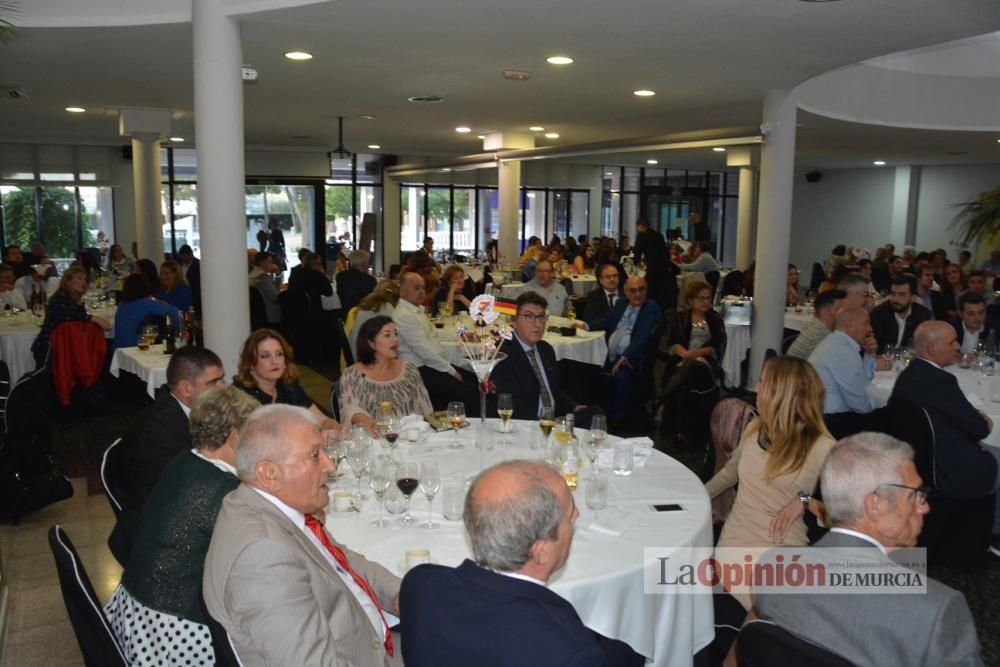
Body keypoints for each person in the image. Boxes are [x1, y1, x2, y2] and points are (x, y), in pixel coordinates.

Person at [753, 432, 983, 667]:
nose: (924, 507)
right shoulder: (938, 611)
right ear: (875, 505)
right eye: (915, 494)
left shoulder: (772, 568)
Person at [204, 405, 401, 666]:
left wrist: (402, 595)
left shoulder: (266, 505)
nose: (330, 465)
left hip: (363, 635)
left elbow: (341, 559)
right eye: (315, 455)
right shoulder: (262, 557)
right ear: (269, 473)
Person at [400, 460, 643, 666]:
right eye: (570, 516)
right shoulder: (566, 651)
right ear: (541, 552)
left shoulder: (420, 584)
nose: (577, 516)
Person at [105, 387, 259, 665]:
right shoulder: (226, 492)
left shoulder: (184, 461)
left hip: (135, 609)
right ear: (235, 439)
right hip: (176, 632)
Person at [705, 356, 836, 610]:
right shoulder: (755, 427)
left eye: (763, 382)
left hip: (784, 548)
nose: (756, 388)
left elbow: (844, 518)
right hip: (736, 543)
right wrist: (694, 497)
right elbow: (728, 475)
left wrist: (805, 501)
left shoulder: (823, 448)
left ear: (781, 393)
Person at [110, 346, 227, 563]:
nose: (224, 388)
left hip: (175, 509)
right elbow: (192, 489)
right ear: (185, 388)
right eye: (214, 383)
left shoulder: (187, 410)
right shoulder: (160, 429)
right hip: (156, 536)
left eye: (222, 379)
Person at [891, 322, 1000, 535]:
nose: (958, 346)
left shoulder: (909, 375)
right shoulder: (940, 381)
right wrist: (983, 421)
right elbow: (979, 429)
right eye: (952, 342)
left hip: (920, 457)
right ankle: (994, 534)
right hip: (944, 466)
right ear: (932, 349)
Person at [490, 292, 601, 427]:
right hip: (526, 424)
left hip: (554, 420)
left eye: (541, 317)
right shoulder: (503, 353)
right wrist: (545, 425)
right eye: (528, 317)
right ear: (514, 320)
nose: (537, 324)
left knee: (596, 414)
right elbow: (511, 404)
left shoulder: (545, 349)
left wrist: (573, 407)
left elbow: (553, 389)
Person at [393, 271, 479, 413]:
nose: (421, 292)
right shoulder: (403, 316)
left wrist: (462, 335)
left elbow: (435, 334)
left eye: (423, 288)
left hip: (430, 364)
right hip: (417, 370)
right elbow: (425, 352)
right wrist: (451, 371)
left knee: (474, 379)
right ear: (402, 289)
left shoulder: (416, 311)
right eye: (416, 288)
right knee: (470, 393)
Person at [232, 328, 341, 430]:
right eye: (265, 356)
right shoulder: (241, 396)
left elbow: (322, 420)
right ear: (251, 362)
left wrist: (336, 428)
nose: (274, 361)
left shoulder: (288, 386)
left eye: (279, 354)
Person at [589, 276, 664, 424]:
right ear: (626, 292)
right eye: (633, 291)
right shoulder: (621, 303)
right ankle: (595, 413)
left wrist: (626, 357)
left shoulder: (651, 308)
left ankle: (618, 418)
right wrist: (585, 326)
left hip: (634, 359)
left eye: (641, 289)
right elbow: (606, 321)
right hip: (610, 355)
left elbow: (642, 337)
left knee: (620, 376)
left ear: (646, 290)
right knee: (586, 367)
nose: (637, 294)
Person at [656, 280, 725, 436]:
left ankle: (659, 399)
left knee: (692, 366)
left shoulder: (714, 319)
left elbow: (716, 345)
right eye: (701, 298)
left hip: (705, 362)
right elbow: (673, 344)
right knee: (686, 373)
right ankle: (679, 430)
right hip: (683, 359)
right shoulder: (681, 318)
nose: (706, 302)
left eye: (708, 298)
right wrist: (686, 354)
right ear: (690, 300)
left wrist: (696, 354)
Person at [339, 316, 433, 430]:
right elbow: (350, 411)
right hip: (372, 439)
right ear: (370, 343)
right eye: (387, 335)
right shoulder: (352, 375)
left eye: (396, 334)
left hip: (409, 438)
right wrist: (371, 425)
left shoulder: (409, 371)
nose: (395, 339)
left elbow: (426, 411)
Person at [30, 265, 112, 365]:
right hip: (49, 349)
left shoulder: (73, 298)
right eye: (79, 278)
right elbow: (71, 316)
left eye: (85, 279)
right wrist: (94, 319)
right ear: (68, 281)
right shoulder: (60, 298)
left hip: (66, 349)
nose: (83, 282)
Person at [808, 306, 881, 414]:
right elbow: (860, 406)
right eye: (866, 323)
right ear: (850, 325)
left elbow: (862, 383)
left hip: (823, 413)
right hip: (829, 419)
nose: (870, 328)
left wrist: (869, 355)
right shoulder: (843, 351)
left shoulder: (837, 342)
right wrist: (877, 407)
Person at [112, 274, 180, 349]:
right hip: (134, 346)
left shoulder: (122, 304)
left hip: (118, 347)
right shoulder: (144, 303)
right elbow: (174, 312)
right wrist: (158, 301)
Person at [869, 274, 931, 353]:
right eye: (893, 294)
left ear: (913, 298)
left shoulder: (923, 314)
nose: (895, 299)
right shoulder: (878, 313)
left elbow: (921, 344)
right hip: (883, 359)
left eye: (901, 294)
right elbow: (875, 346)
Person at [633, 218, 678, 311]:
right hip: (663, 267)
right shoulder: (658, 234)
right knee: (660, 291)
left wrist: (635, 262)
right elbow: (665, 250)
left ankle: (649, 310)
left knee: (651, 291)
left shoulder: (642, 235)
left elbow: (637, 250)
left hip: (652, 267)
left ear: (640, 226)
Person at [787, 289, 845, 359]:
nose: (845, 313)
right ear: (825, 311)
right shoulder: (821, 334)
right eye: (840, 309)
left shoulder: (817, 326)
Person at [350, 279, 399, 359]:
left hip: (356, 351)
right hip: (368, 357)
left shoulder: (367, 305)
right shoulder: (387, 308)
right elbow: (395, 333)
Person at [582, 262, 624, 329]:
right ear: (601, 280)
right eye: (608, 277)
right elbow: (588, 318)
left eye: (615, 276)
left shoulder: (626, 294)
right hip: (603, 332)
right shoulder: (594, 295)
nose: (612, 279)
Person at [249, 250, 282, 324]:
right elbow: (275, 297)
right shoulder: (263, 277)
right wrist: (278, 275)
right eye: (270, 262)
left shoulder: (253, 274)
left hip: (256, 315)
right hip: (270, 316)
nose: (272, 264)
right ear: (262, 263)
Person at [177, 244, 201, 312]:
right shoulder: (179, 264)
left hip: (194, 296)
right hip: (181, 294)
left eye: (184, 256)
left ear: (190, 254)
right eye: (182, 256)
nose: (183, 258)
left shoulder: (198, 265)